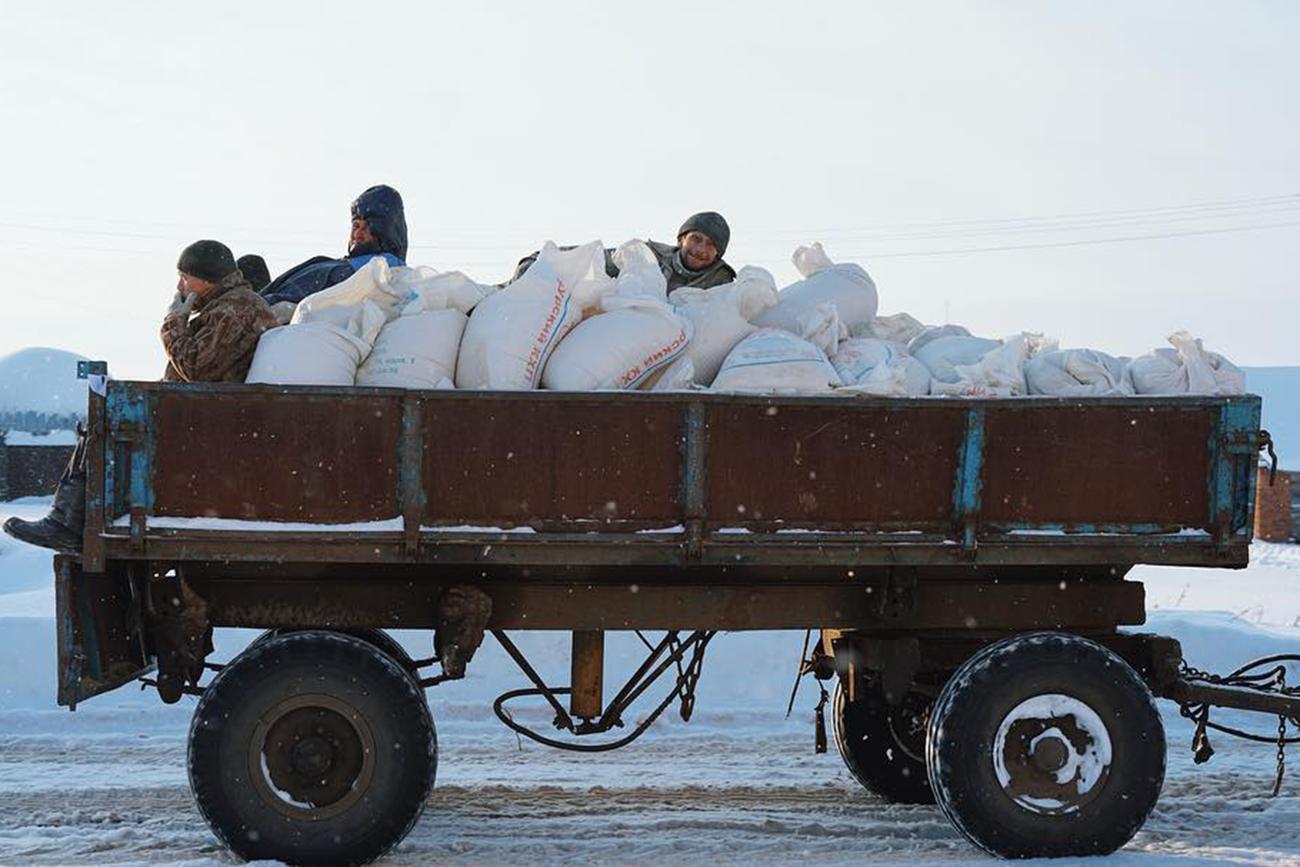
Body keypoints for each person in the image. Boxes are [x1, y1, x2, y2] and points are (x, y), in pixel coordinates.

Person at [3, 240, 278, 553]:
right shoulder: (229, 305)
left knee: (106, 422)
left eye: (185, 277)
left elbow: (195, 368)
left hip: (203, 418)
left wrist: (174, 321)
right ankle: (69, 517)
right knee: (101, 420)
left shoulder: (236, 308)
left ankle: (68, 521)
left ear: (205, 279)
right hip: (199, 411)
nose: (180, 286)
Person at [511, 210, 737, 292]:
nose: (700, 249)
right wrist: (543, 260)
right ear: (681, 239)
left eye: (710, 245)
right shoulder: (647, 258)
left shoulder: (722, 285)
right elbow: (593, 258)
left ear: (718, 255)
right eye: (696, 239)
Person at [260, 185, 408, 308]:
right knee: (253, 263)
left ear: (384, 232)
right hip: (262, 301)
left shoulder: (369, 270)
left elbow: (300, 298)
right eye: (356, 226)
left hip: (263, 309)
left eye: (367, 227)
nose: (358, 234)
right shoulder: (341, 264)